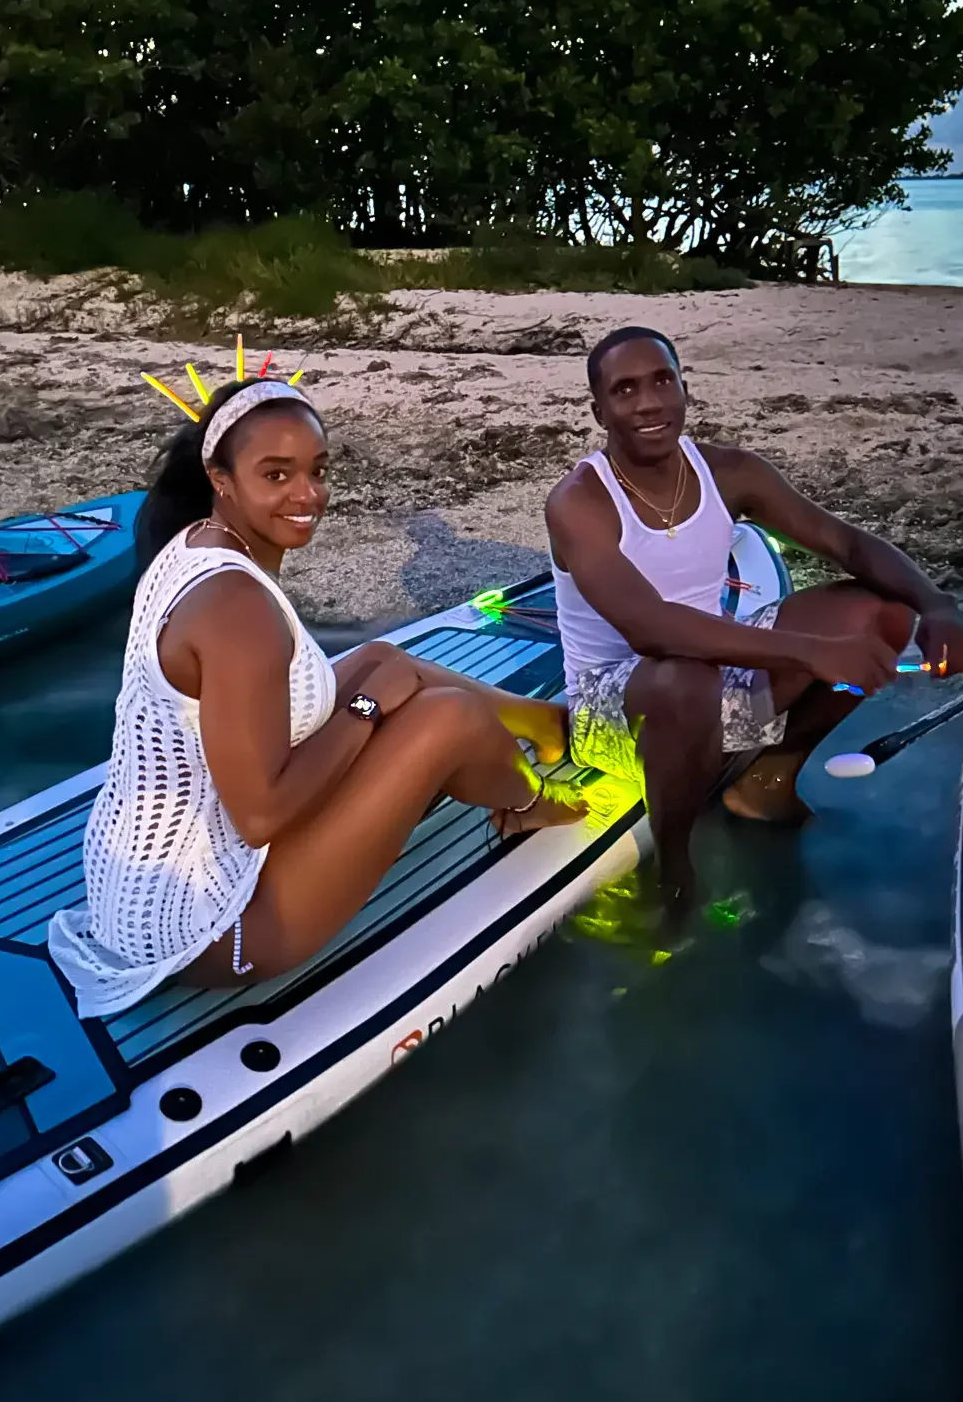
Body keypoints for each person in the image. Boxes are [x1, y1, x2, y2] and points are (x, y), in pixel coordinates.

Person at [50, 375, 583, 1018]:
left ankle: (544, 724)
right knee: (446, 717)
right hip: (207, 929)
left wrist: (376, 693)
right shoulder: (237, 608)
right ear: (222, 478)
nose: (308, 495)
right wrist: (367, 711)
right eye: (277, 475)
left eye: (317, 470)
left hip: (139, 885)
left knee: (381, 660)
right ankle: (526, 801)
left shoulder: (193, 543)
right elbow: (261, 817)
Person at [545, 326, 963, 916]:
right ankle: (674, 868)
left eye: (662, 381)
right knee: (685, 681)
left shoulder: (729, 473)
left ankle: (768, 782)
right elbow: (652, 629)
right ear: (600, 412)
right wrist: (808, 653)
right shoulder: (580, 500)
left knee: (879, 611)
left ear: (684, 390)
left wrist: (937, 604)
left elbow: (842, 542)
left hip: (710, 672)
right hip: (612, 708)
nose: (648, 402)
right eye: (625, 391)